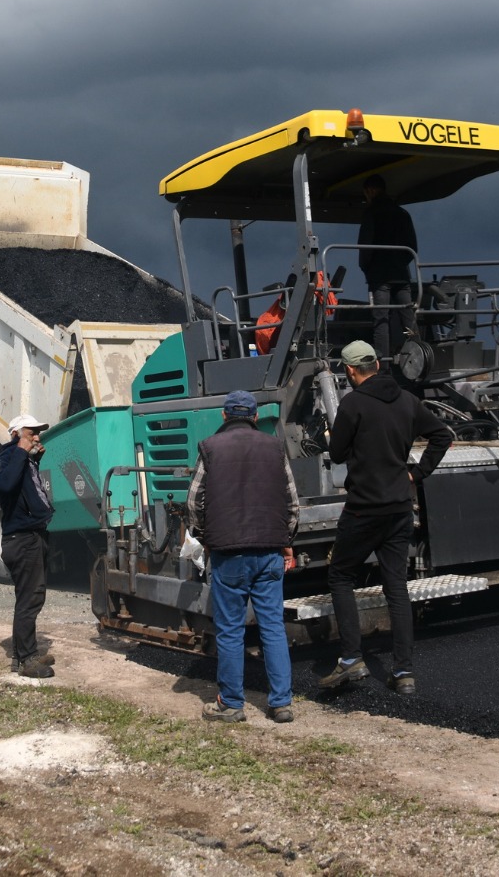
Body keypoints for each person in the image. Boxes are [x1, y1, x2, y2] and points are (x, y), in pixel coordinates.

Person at [320, 340, 453, 695]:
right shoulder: (407, 400)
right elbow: (443, 435)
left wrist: (333, 435)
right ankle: (404, 672)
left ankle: (351, 658)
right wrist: (416, 473)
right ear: (377, 364)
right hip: (398, 506)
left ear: (350, 371)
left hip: (364, 507)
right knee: (396, 587)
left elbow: (336, 455)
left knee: (341, 575)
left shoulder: (352, 405)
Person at [187, 390, 301, 723]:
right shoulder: (275, 447)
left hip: (228, 555)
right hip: (268, 552)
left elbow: (194, 502)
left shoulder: (209, 447)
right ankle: (281, 703)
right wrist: (286, 540)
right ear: (254, 417)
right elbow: (292, 503)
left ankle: (232, 704)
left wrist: (206, 537)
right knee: (273, 628)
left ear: (224, 416)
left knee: (230, 631)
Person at [0, 414, 57, 677]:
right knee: (30, 599)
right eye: (32, 433)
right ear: (17, 434)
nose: (38, 437)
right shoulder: (5, 459)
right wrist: (22, 452)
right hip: (21, 540)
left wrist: (32, 459)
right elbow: (6, 485)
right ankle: (28, 659)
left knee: (27, 598)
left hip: (30, 537)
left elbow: (25, 492)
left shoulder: (24, 460)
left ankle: (21, 656)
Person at [357, 174, 418, 356]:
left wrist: (367, 268)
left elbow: (365, 247)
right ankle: (419, 360)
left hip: (379, 276)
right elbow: (412, 247)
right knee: (409, 319)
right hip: (401, 273)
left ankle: (383, 366)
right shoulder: (402, 213)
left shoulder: (371, 213)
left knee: (381, 320)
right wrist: (400, 263)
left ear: (371, 191)